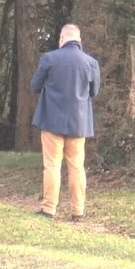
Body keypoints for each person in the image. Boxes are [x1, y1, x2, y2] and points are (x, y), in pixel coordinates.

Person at [30, 23, 101, 221]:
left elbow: (35, 85)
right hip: (78, 124)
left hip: (52, 120)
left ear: (62, 39)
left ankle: (48, 209)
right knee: (76, 167)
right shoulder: (91, 63)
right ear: (79, 40)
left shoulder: (49, 59)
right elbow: (94, 92)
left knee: (52, 165)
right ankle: (78, 211)